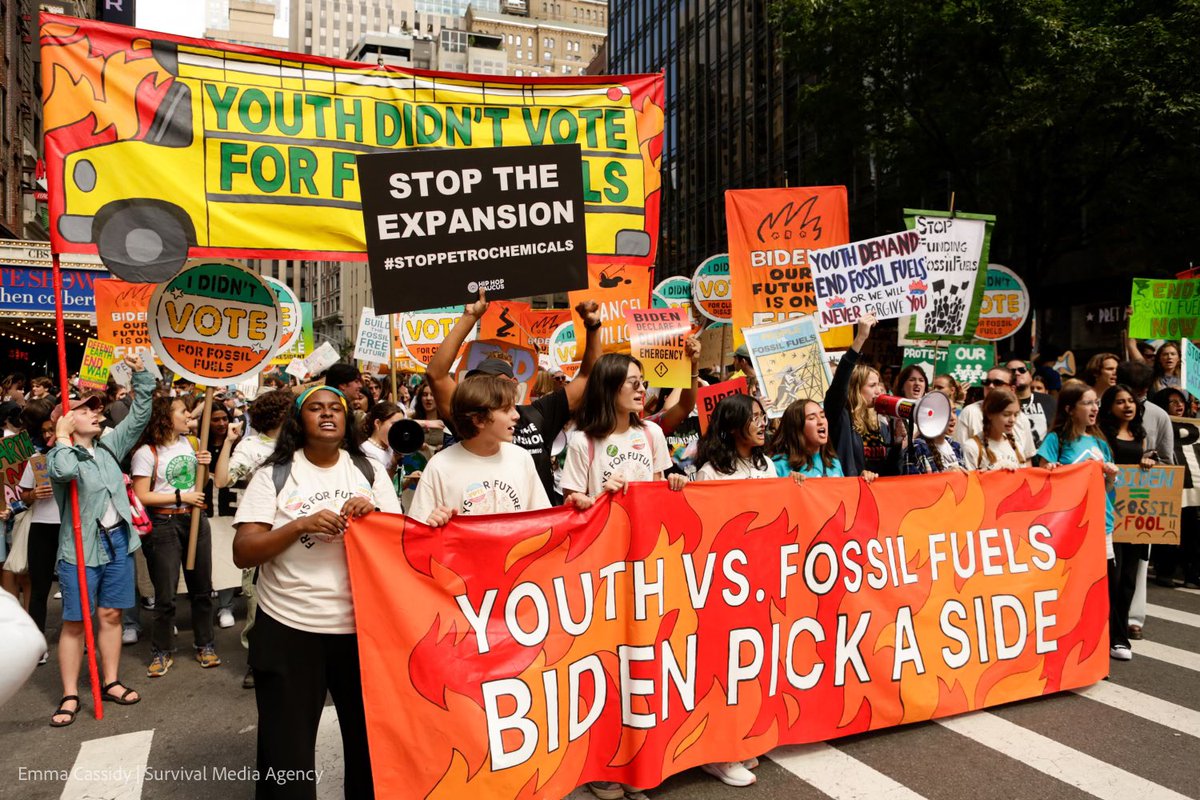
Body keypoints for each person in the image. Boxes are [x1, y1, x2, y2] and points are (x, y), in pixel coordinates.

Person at [233, 385, 399, 799]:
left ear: (347, 420)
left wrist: (373, 515)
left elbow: (400, 541)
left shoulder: (369, 471)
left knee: (371, 746)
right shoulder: (273, 474)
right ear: (298, 420)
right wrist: (299, 525)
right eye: (315, 409)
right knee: (285, 753)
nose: (327, 415)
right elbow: (243, 552)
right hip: (290, 628)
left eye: (335, 409)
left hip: (362, 630)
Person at [47, 354, 152, 727]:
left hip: (119, 543)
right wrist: (61, 439)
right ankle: (70, 693)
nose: (96, 413)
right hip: (80, 549)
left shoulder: (109, 447)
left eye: (96, 408)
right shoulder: (62, 453)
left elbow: (140, 414)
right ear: (67, 420)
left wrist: (141, 373)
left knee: (111, 615)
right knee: (76, 622)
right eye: (85, 410)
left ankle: (110, 681)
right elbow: (62, 471)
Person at [427, 292, 602, 503]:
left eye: (503, 384)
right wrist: (469, 317)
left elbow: (588, 378)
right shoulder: (471, 415)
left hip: (538, 529)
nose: (497, 391)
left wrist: (593, 328)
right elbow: (436, 375)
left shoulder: (537, 414)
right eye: (487, 386)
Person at [409, 375, 577, 525]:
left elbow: (543, 521)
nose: (516, 415)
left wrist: (571, 511)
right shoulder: (440, 466)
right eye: (506, 409)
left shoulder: (521, 458)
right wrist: (433, 521)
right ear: (478, 420)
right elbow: (417, 533)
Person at [131, 395, 219, 677]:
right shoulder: (146, 453)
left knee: (202, 589)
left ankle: (205, 644)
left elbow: (201, 484)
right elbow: (142, 495)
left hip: (195, 521)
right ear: (166, 417)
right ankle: (162, 650)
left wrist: (204, 465)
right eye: (183, 412)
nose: (189, 416)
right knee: (166, 595)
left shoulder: (192, 444)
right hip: (163, 525)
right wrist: (182, 496)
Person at [215, 387, 294, 690]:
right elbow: (223, 480)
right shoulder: (251, 446)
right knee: (257, 602)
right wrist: (229, 442)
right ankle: (256, 661)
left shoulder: (302, 443)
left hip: (298, 533)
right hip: (261, 534)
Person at [1036, 381, 1122, 657]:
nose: (1095, 408)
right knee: (1070, 589)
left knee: (1101, 587)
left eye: (1096, 402)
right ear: (1070, 409)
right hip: (1068, 528)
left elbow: (1107, 490)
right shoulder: (1056, 440)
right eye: (1087, 403)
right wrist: (1052, 471)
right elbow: (1042, 483)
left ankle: (1095, 648)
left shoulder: (1099, 443)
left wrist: (1110, 477)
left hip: (1102, 524)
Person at [561, 354, 675, 500]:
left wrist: (675, 485)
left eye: (642, 383)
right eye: (634, 383)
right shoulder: (582, 442)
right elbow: (571, 508)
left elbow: (658, 493)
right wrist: (603, 495)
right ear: (609, 387)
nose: (642, 390)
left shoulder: (652, 433)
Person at [1098, 384, 1160, 645]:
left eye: (1131, 401)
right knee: (1113, 576)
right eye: (1121, 402)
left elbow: (1145, 470)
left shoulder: (1140, 434)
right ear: (1110, 407)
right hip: (1110, 514)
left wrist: (1149, 460)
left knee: (1128, 579)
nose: (1128, 406)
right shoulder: (1102, 436)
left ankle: (1120, 635)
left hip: (1134, 515)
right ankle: (1107, 632)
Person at [825, 314, 901, 477]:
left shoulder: (882, 424)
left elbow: (890, 470)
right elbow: (840, 383)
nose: (879, 391)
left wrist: (899, 443)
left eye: (878, 384)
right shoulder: (842, 417)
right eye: (872, 385)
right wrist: (860, 338)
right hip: (851, 492)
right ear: (855, 389)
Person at [16, 401, 60, 647]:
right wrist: (34, 494)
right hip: (41, 526)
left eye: (51, 430)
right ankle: (37, 644)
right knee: (39, 587)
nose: (47, 435)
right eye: (44, 432)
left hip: (69, 527)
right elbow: (23, 495)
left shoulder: (75, 457)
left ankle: (82, 636)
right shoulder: (38, 459)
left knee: (75, 586)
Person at [1148, 388, 1198, 588]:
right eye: (1173, 402)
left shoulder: (1194, 426)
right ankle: (1165, 570)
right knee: (1166, 527)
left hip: (1192, 486)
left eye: (1182, 402)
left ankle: (1192, 573)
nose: (1179, 405)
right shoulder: (1159, 423)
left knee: (1192, 530)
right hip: (1167, 483)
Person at [953, 366, 1036, 460]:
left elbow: (1027, 459)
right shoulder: (969, 412)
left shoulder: (1022, 418)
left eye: (998, 383)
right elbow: (959, 455)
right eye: (987, 382)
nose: (990, 386)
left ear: (1012, 389)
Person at [770, 398, 846, 478]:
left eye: (822, 416)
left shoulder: (833, 462)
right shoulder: (779, 466)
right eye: (812, 418)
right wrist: (789, 486)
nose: (821, 421)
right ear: (797, 427)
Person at [962, 389, 1027, 472]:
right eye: (1006, 414)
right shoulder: (972, 447)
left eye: (1016, 414)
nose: (1012, 420)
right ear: (989, 414)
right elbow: (969, 482)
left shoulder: (1017, 446)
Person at [1006, 357, 1055, 448]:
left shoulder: (1049, 400)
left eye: (1022, 370)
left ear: (1030, 376)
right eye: (1011, 371)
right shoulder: (1002, 403)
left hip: (1044, 459)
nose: (1017, 373)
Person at [360, 401, 405, 478]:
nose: (399, 430)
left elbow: (395, 487)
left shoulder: (392, 449)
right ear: (377, 423)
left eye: (401, 426)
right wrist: (393, 464)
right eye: (394, 425)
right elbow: (378, 485)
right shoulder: (365, 451)